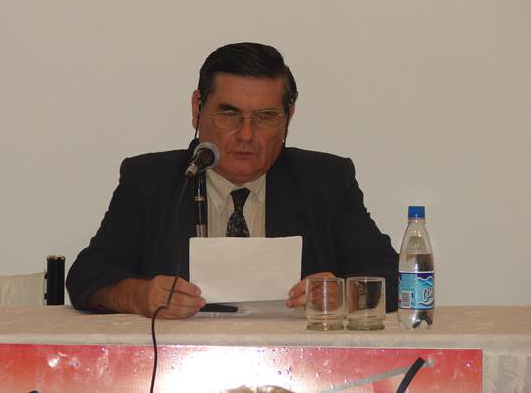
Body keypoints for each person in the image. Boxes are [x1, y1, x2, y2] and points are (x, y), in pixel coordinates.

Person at [66, 42, 398, 319]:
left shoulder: (325, 181)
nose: (246, 135)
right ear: (197, 109)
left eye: (265, 117)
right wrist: (140, 296)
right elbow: (88, 277)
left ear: (288, 117)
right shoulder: (150, 180)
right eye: (229, 114)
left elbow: (393, 276)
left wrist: (345, 293)